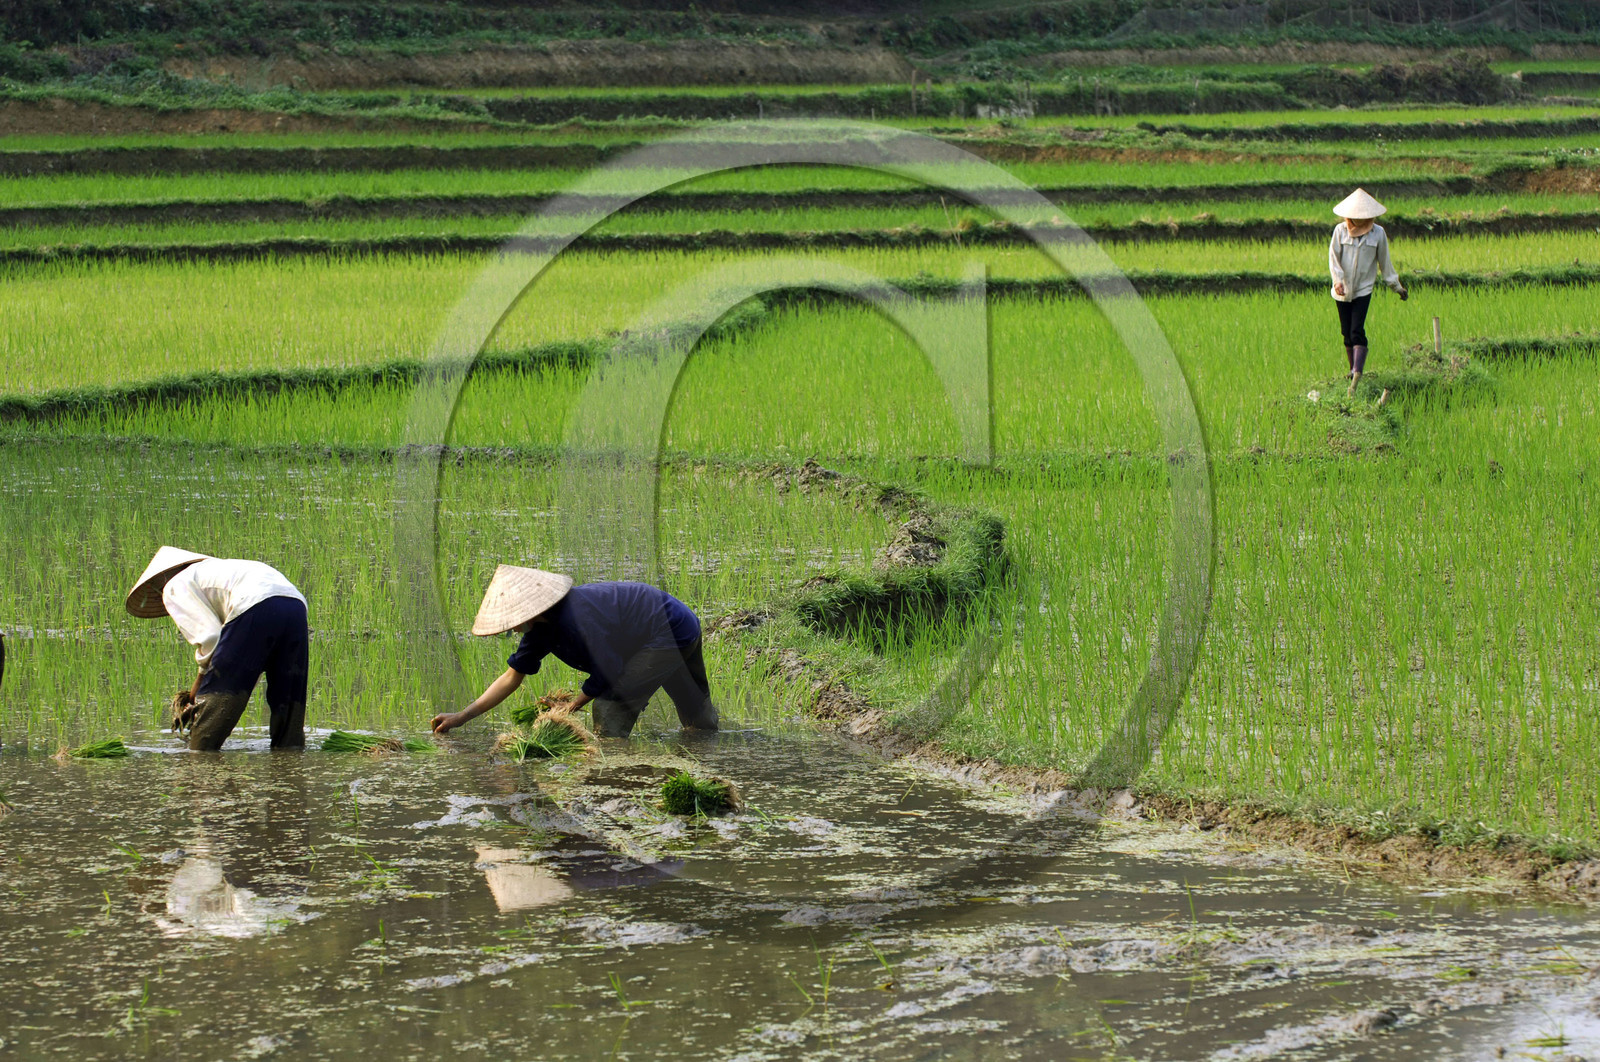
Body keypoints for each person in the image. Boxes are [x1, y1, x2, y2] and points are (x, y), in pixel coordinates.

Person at [432, 565, 718, 739]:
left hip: (669, 631)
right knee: (696, 709)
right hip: (673, 625)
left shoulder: (577, 617)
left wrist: (570, 707)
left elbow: (609, 671)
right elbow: (511, 677)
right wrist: (461, 717)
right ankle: (709, 747)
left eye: (513, 622)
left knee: (610, 703)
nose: (513, 629)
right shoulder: (538, 630)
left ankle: (613, 763)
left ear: (530, 612)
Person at [125, 547, 309, 751]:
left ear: (160, 580)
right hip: (296, 605)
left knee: (210, 722)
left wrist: (200, 684)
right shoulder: (220, 572)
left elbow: (211, 638)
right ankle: (290, 760)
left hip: (254, 605)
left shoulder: (174, 585)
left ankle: (201, 756)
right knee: (289, 702)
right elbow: (244, 662)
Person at [1328, 187, 1408, 397]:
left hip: (1363, 290)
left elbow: (1385, 264)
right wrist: (1337, 281)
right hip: (1342, 290)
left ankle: (1358, 372)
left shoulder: (1378, 234)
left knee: (1357, 330)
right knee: (1346, 332)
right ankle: (1352, 370)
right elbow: (1334, 259)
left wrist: (1397, 287)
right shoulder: (1340, 231)